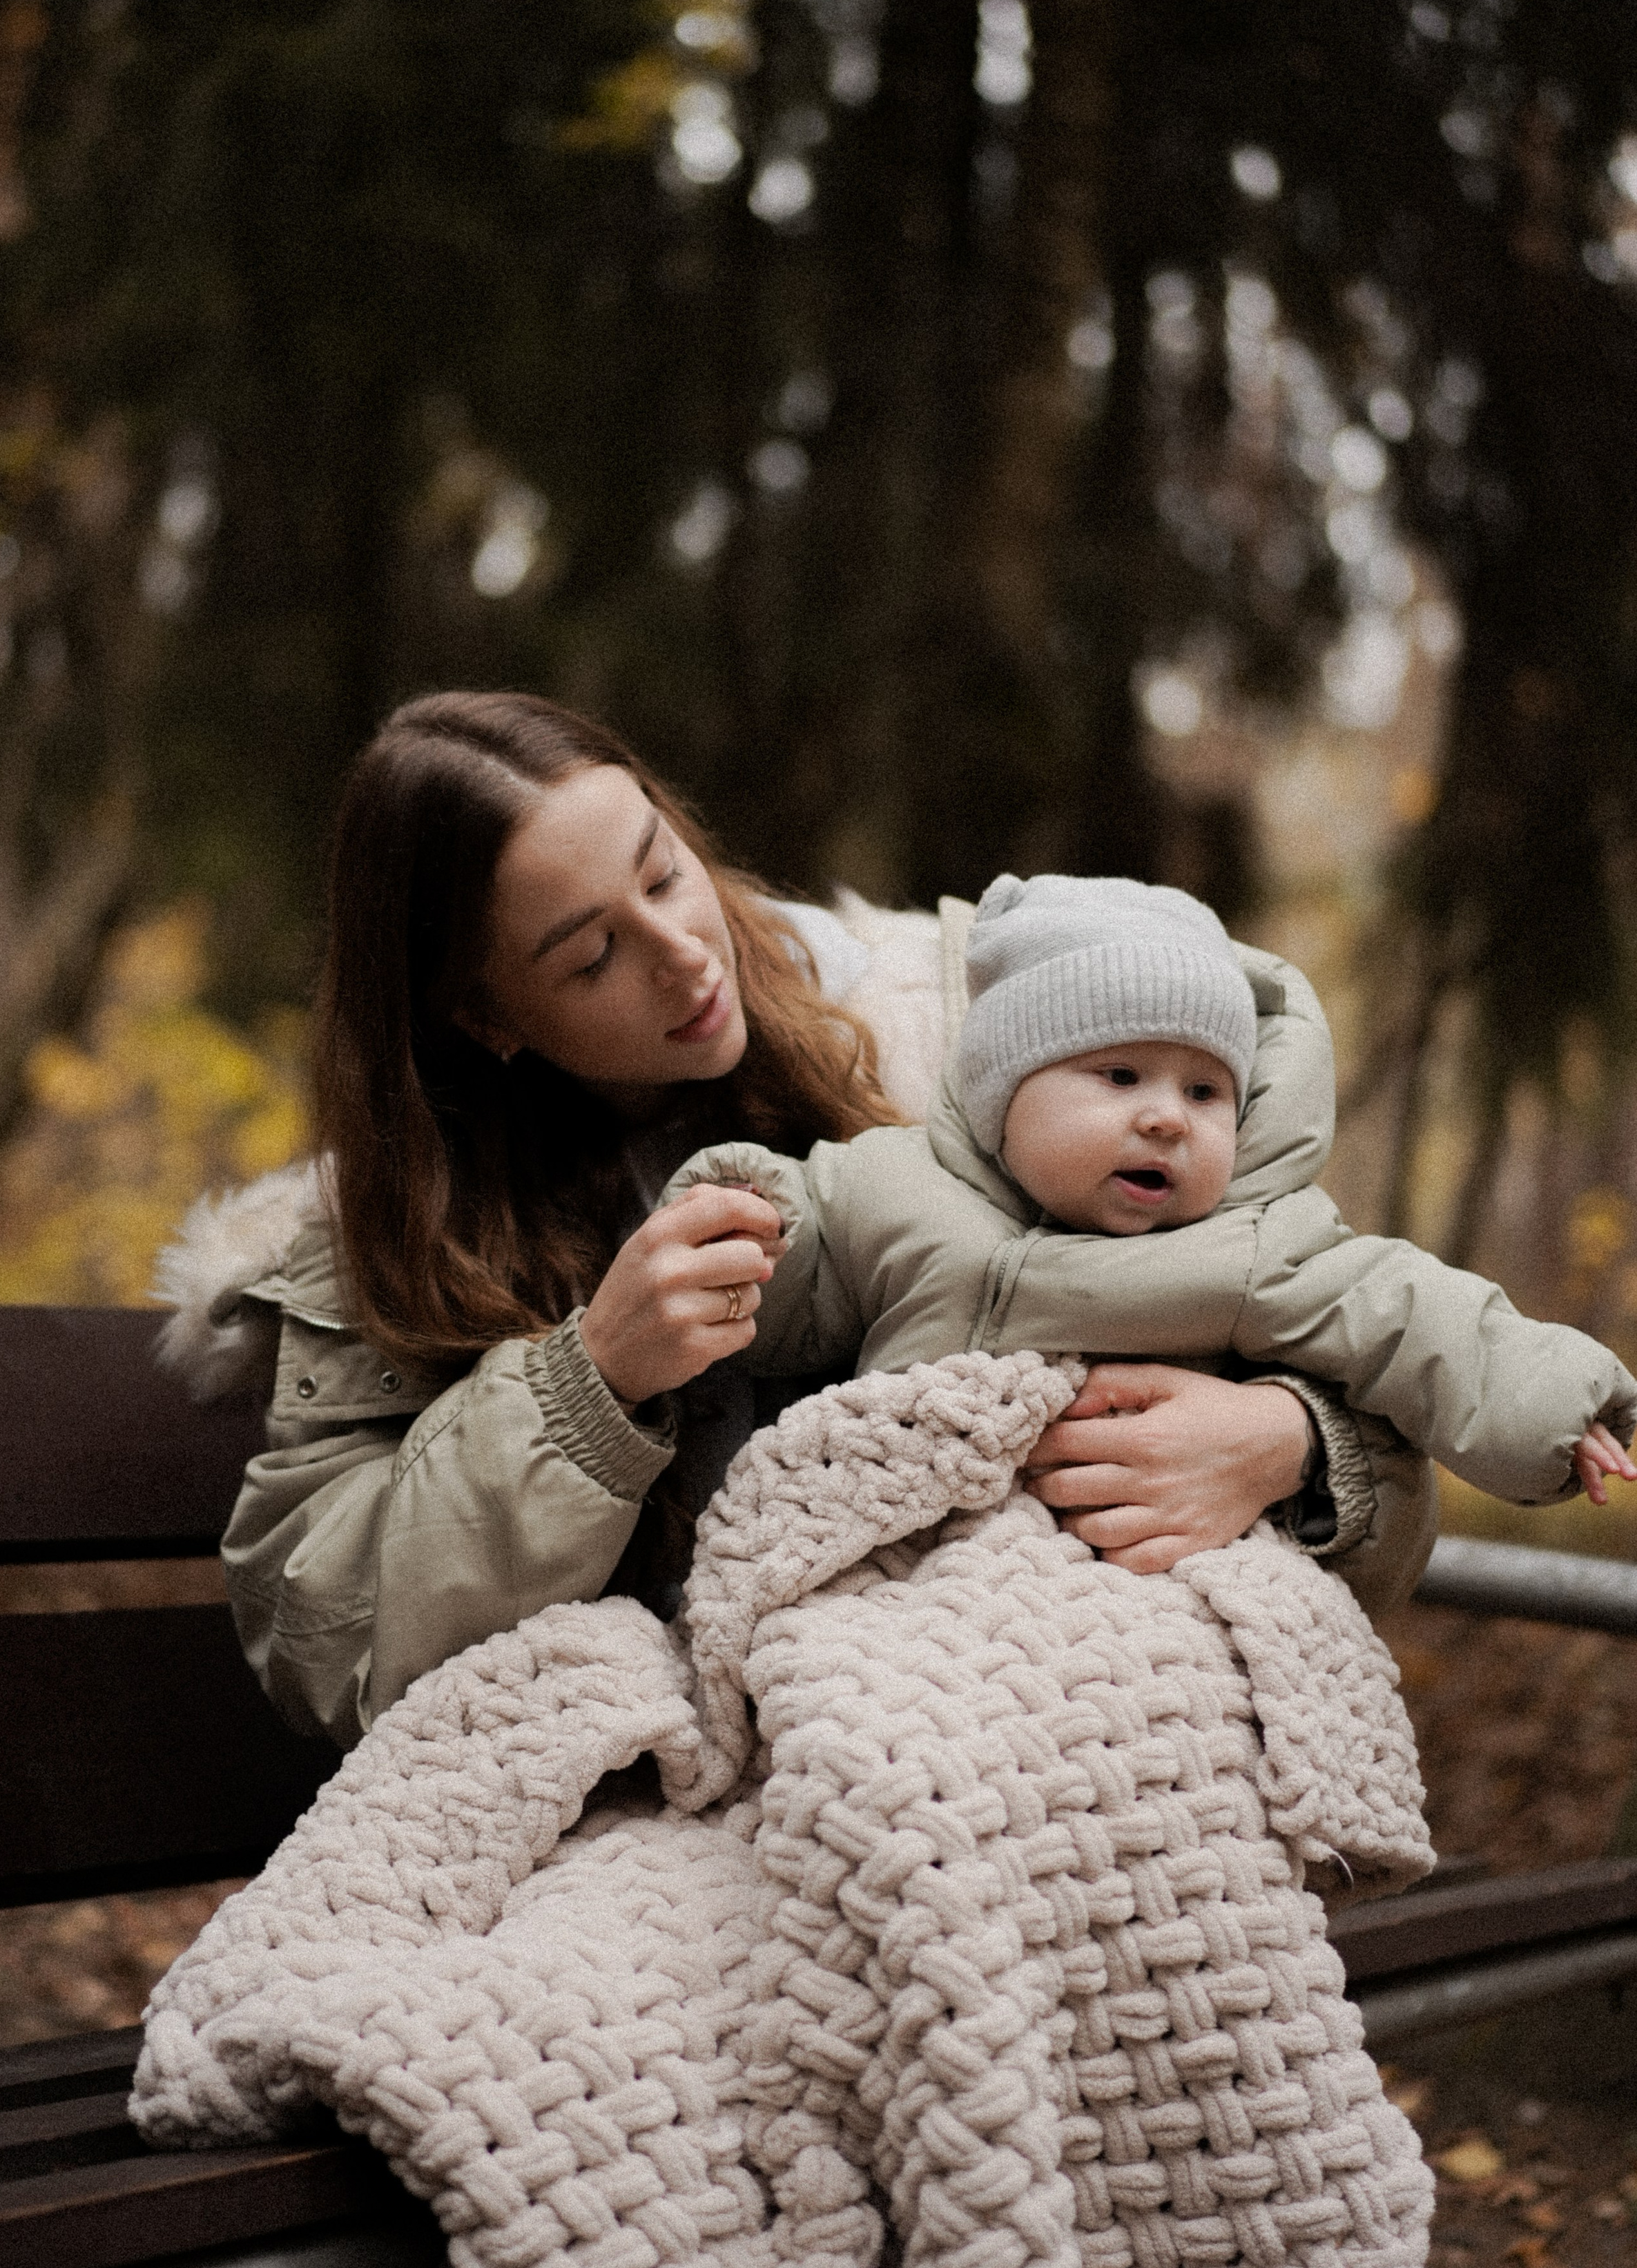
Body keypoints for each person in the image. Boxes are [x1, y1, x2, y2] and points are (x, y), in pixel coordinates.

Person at [156, 692, 1433, 1748]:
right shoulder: (400, 1240)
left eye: (665, 872)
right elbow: (329, 1643)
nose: (685, 953)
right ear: (485, 1018)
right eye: (592, 957)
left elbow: (1354, 1327)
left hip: (1057, 1714)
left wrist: (1294, 1445)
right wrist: (587, 1386)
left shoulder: (984, 1036)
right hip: (712, 1775)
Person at [663, 869, 1637, 1507]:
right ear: (1006, 1090)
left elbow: (1414, 1317)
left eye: (1205, 1092)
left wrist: (1556, 1411)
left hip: (1121, 1569)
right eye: (1121, 1076)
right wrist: (748, 1217)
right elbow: (801, 1283)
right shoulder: (897, 1184)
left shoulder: (1258, 1243)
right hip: (901, 1534)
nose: (1168, 1116)